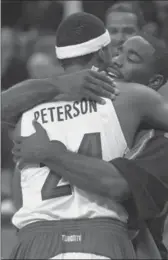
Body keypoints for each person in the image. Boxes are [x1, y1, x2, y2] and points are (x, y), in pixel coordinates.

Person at [9, 12, 168, 260]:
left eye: (131, 57)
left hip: (34, 240)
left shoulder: (31, 107)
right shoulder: (131, 99)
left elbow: (117, 185)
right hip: (102, 239)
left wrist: (50, 152)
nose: (117, 61)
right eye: (117, 51)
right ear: (104, 52)